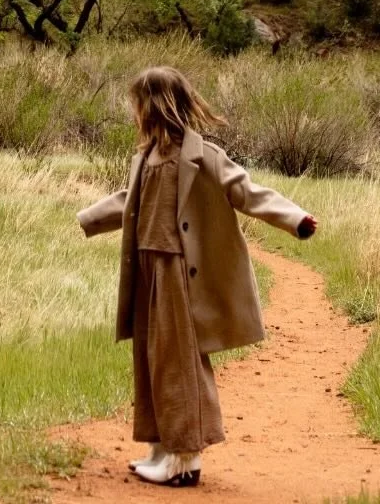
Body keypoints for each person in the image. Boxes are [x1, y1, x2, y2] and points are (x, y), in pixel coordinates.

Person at [77, 66, 318, 487]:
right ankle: (161, 446)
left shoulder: (201, 155)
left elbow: (246, 190)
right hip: (147, 267)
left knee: (179, 361)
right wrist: (89, 218)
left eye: (139, 104)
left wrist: (295, 218)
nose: (136, 112)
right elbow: (130, 202)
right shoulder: (146, 156)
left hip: (177, 271)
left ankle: (184, 458)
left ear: (155, 104)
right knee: (152, 358)